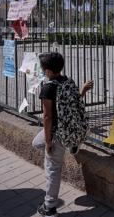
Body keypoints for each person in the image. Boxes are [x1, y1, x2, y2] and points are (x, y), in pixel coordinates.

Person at [32, 52, 93, 217]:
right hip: (70, 129)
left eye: (43, 69)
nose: (43, 72)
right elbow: (72, 103)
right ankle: (72, 145)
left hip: (57, 133)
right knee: (35, 143)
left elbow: (47, 117)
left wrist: (48, 141)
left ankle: (49, 207)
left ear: (49, 71)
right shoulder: (68, 81)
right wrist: (82, 91)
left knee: (52, 168)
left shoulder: (48, 88)